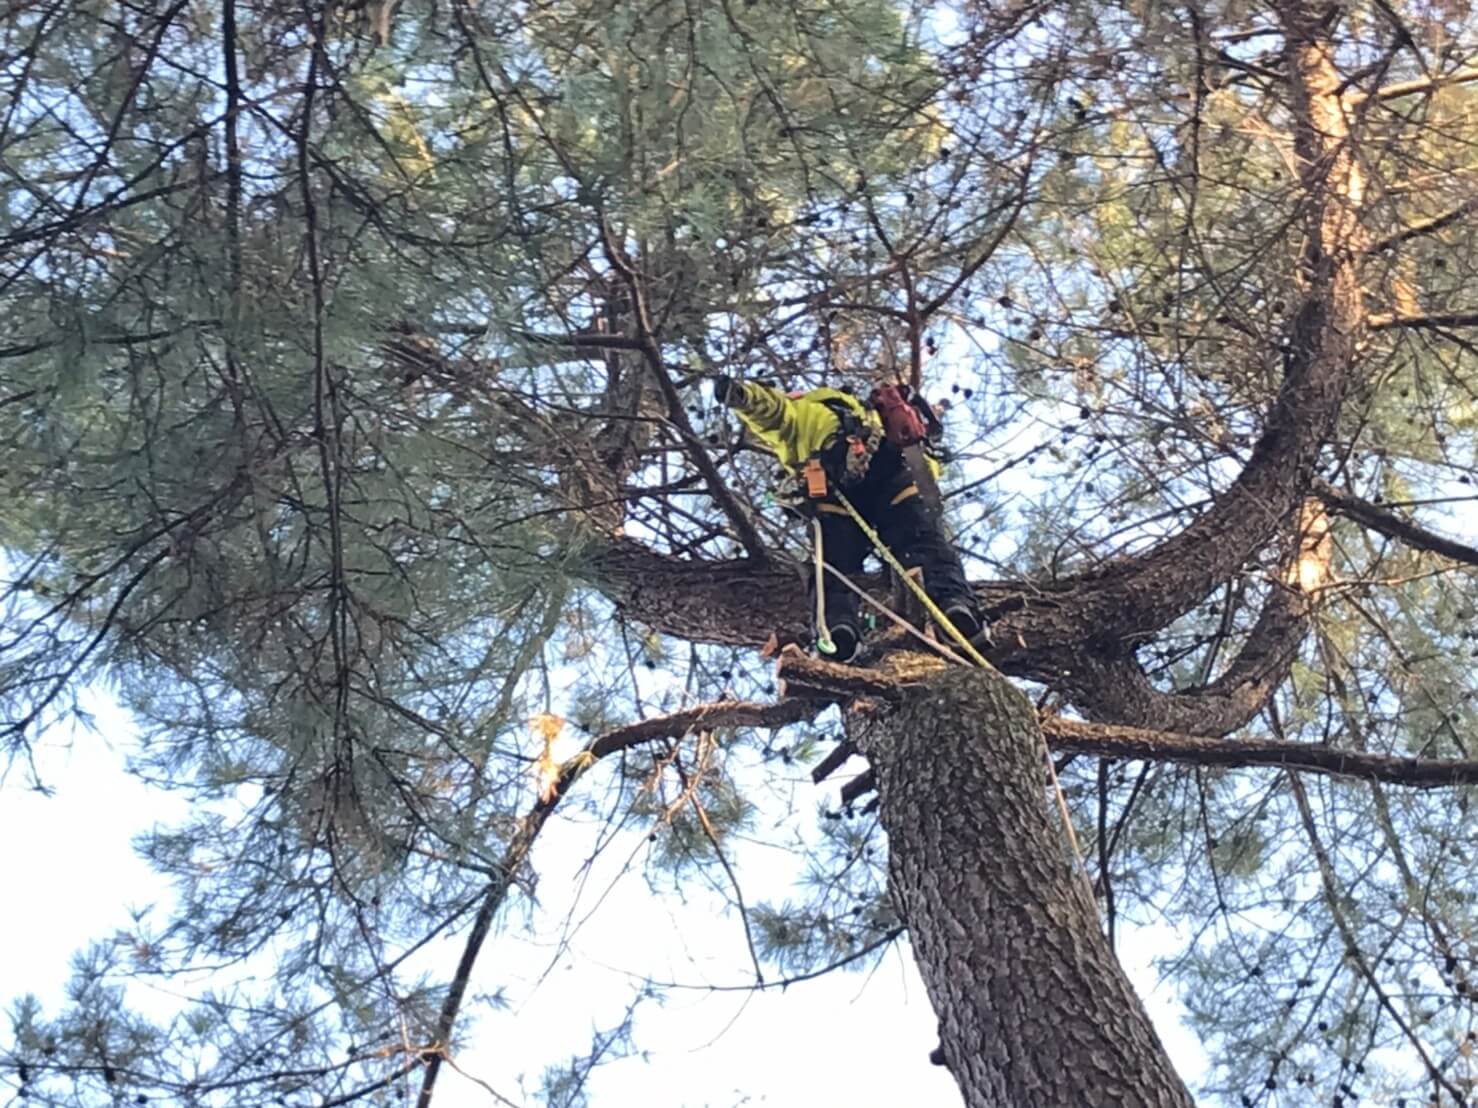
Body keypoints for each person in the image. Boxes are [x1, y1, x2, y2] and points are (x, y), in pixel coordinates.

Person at [714, 375, 982, 662]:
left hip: (858, 476)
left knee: (842, 560)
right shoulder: (836, 411)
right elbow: (768, 407)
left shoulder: (812, 411)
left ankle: (844, 627)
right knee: (909, 542)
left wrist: (743, 397)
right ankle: (948, 605)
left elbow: (770, 408)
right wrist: (742, 396)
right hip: (864, 476)